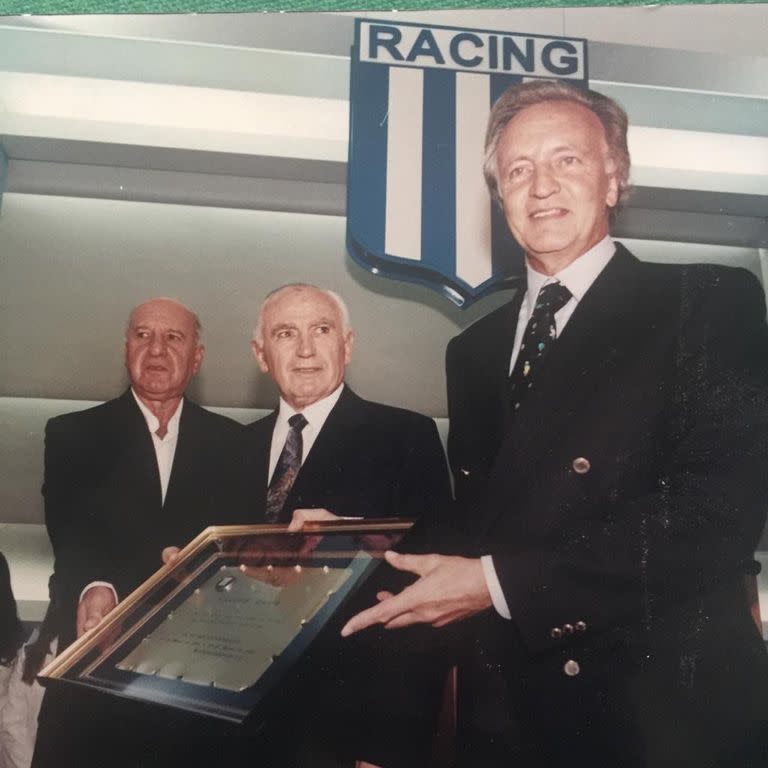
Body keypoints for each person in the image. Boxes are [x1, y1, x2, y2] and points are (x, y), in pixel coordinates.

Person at [343, 80, 768, 768]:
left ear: (615, 178)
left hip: (664, 723)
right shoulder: (472, 351)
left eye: (566, 160)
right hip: (514, 718)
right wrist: (342, 545)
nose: (540, 186)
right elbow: (478, 527)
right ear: (499, 197)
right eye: (518, 170)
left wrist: (497, 585)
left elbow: (711, 520)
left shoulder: (709, 303)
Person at [32, 297, 246, 768]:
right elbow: (71, 534)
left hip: (196, 702)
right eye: (143, 335)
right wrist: (96, 587)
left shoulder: (237, 444)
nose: (156, 349)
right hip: (94, 696)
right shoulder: (72, 434)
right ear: (125, 346)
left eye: (173, 338)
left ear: (197, 358)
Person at [244, 283, 450, 527]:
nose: (306, 349)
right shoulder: (233, 446)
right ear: (261, 355)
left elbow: (437, 547)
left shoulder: (407, 439)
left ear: (347, 346)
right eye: (286, 334)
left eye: (321, 330)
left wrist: (349, 538)